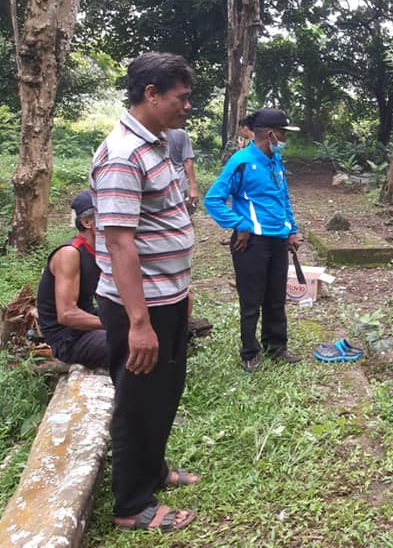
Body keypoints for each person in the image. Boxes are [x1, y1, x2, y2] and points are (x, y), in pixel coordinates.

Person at [90, 52, 198, 533]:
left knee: (164, 392)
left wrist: (182, 289)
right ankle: (132, 505)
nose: (187, 107)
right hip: (140, 306)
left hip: (167, 298)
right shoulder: (122, 154)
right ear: (151, 95)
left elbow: (163, 222)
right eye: (182, 97)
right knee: (138, 401)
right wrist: (138, 323)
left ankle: (154, 470)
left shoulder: (157, 145)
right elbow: (119, 242)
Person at [204, 108, 303, 372]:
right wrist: (240, 225)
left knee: (275, 297)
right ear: (270, 134)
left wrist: (291, 229)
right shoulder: (242, 161)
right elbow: (213, 199)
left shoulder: (275, 161)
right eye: (283, 133)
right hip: (251, 243)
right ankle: (249, 352)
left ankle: (276, 346)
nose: (285, 139)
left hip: (278, 240)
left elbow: (283, 198)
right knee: (251, 300)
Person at [35, 190, 108, 369]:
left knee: (162, 325)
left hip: (87, 321)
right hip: (67, 337)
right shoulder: (70, 254)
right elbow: (67, 314)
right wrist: (113, 325)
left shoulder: (103, 249)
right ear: (86, 222)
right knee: (130, 343)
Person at [167, 128, 198, 214]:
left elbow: (187, 161)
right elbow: (187, 161)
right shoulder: (180, 134)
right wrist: (193, 187)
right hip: (178, 182)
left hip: (176, 183)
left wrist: (193, 187)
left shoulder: (147, 131)